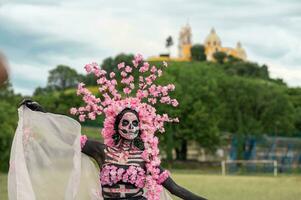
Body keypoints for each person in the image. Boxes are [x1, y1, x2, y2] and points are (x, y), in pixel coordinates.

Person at [9, 54, 208, 200]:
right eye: (126, 122)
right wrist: (42, 114)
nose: (130, 127)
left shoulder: (146, 158)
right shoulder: (101, 150)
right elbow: (67, 137)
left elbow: (175, 189)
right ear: (116, 125)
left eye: (135, 124)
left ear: (140, 128)